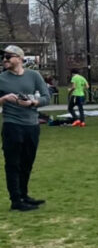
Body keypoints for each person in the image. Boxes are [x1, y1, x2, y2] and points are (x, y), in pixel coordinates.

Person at [0, 45, 51, 211]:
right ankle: (15, 200)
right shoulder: (2, 78)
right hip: (12, 125)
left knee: (27, 162)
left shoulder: (33, 76)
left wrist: (33, 103)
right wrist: (5, 99)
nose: (5, 59)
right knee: (13, 163)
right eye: (4, 57)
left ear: (20, 59)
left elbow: (46, 97)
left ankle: (24, 195)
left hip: (32, 125)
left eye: (9, 56)